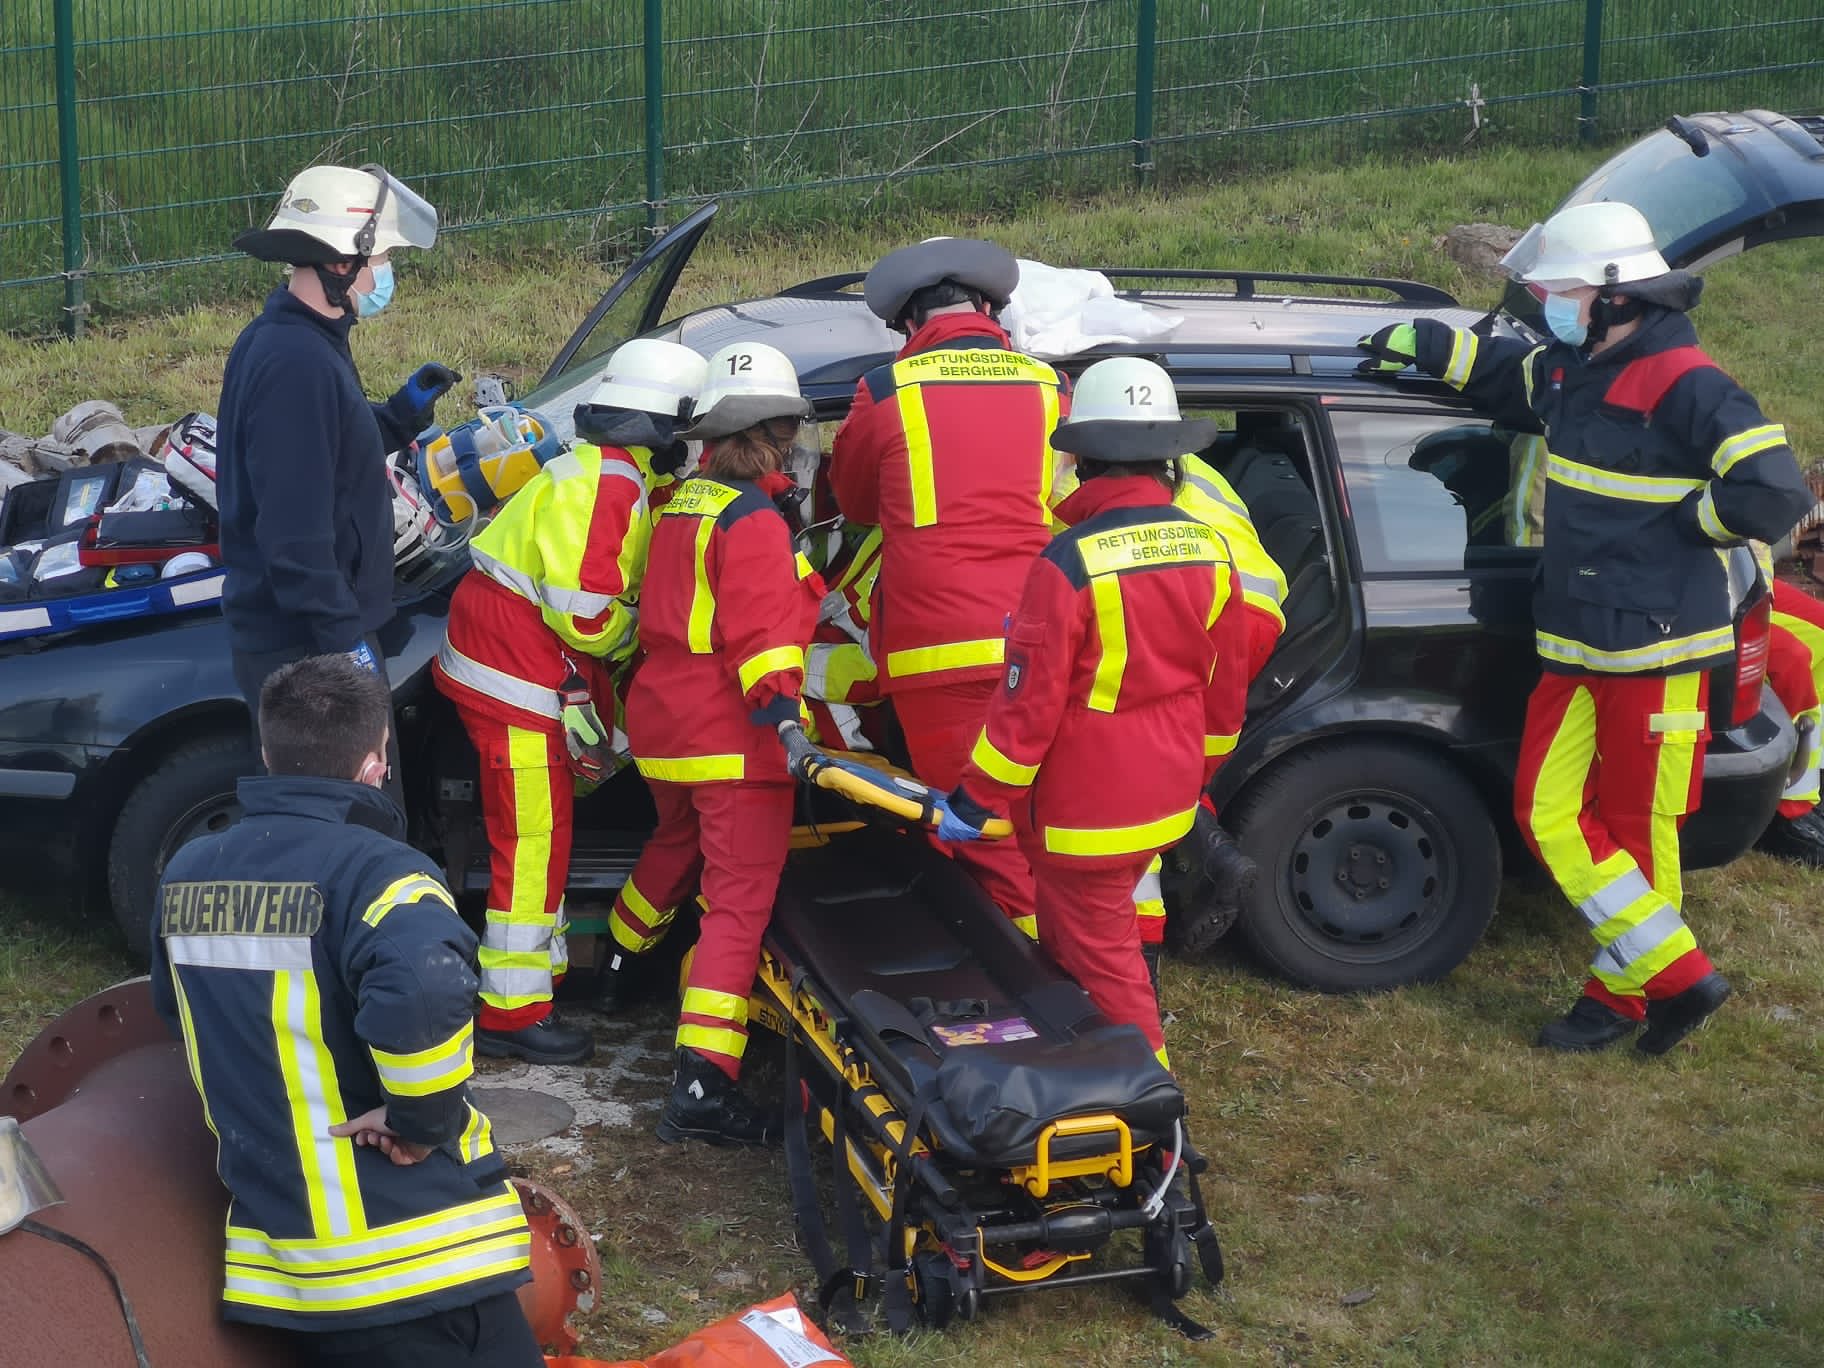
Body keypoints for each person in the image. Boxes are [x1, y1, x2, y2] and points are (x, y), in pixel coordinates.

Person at [1358, 199, 1811, 1054]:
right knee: (1546, 811)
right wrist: (1431, 343)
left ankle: (1623, 998)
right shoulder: (1573, 365)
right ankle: (1680, 976)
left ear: (1612, 296)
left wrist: (1689, 526)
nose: (1544, 306)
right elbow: (1509, 381)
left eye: (1555, 291)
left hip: (1659, 650)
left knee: (1642, 833)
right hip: (1573, 640)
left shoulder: (1690, 383)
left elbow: (1776, 493)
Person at [149, 654, 541, 1368]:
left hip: (298, 1270)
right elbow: (427, 990)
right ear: (375, 761)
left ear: (267, 753)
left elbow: (175, 1013)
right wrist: (420, 1121)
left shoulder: (185, 876)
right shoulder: (381, 872)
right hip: (421, 1255)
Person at [938, 357, 1250, 1066]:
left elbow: (1027, 710)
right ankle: (1084, 1074)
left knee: (1107, 968)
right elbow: (1225, 693)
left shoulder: (1067, 561)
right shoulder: (1211, 549)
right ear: (1169, 461)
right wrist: (1198, 768)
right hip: (1166, 794)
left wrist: (977, 797)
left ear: (1083, 461)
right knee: (1077, 948)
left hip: (1085, 813)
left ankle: (1155, 1118)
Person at [433, 339, 709, 1064]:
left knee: (540, 842)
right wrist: (649, 631)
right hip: (515, 679)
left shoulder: (606, 473)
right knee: (530, 849)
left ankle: (533, 988)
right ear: (664, 426)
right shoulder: (611, 486)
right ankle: (511, 1016)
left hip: (509, 667)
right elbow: (586, 614)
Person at [609, 342, 823, 1145]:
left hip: (665, 722)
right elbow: (765, 647)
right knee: (738, 905)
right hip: (732, 737)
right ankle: (703, 1085)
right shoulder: (755, 520)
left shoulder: (685, 500)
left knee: (675, 841)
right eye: (793, 429)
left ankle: (623, 967)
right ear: (770, 431)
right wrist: (792, 733)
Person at [828, 237, 1065, 938]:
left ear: (907, 323)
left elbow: (858, 503)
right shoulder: (1050, 386)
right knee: (1039, 814)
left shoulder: (884, 391)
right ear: (990, 308)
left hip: (939, 654)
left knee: (980, 833)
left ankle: (1039, 989)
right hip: (1043, 638)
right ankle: (1078, 965)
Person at [218, 163, 460, 799]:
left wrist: (399, 417)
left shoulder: (301, 340)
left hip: (317, 643)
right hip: (312, 658)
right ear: (341, 262)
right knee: (360, 833)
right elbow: (294, 541)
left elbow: (323, 458)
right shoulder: (296, 365)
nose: (385, 274)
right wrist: (349, 653)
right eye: (379, 257)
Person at [1052, 433, 1274, 965]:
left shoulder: (1067, 456)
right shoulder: (1171, 457)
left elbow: (1066, 550)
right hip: (1242, 596)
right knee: (1162, 742)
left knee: (1125, 752)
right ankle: (1203, 848)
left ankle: (1143, 948)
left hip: (1188, 592)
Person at [1756, 569, 1824, 864]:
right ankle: (1786, 815)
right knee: (1790, 660)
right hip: (1678, 585)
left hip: (1739, 572)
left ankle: (1814, 782)